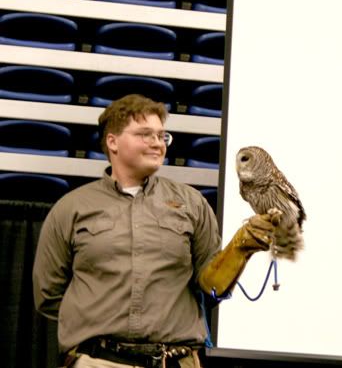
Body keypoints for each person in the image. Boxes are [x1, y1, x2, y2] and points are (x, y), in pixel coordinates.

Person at [33, 94, 277, 368]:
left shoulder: (192, 204)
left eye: (162, 136)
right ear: (112, 141)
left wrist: (240, 250)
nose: (157, 143)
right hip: (97, 362)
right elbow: (49, 295)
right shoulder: (71, 208)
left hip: (175, 361)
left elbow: (211, 288)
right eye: (145, 134)